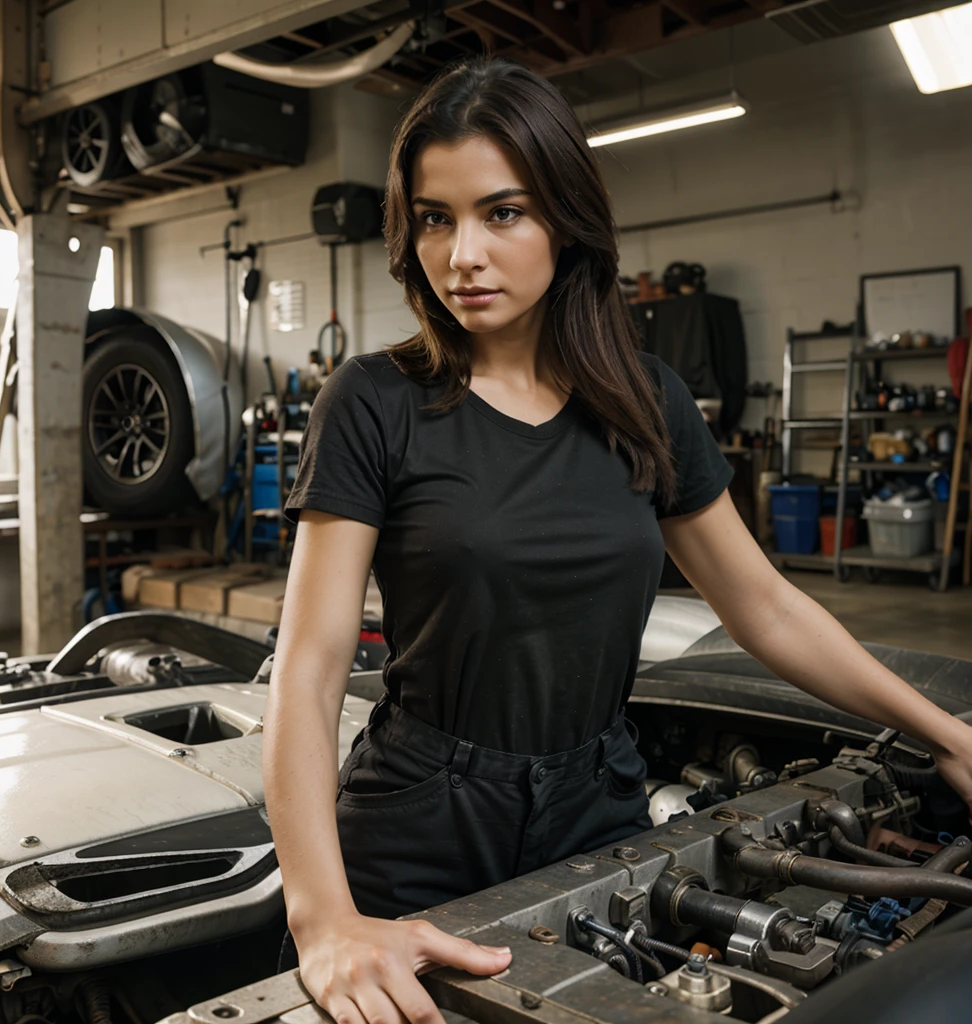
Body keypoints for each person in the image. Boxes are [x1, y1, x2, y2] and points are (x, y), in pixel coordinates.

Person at [263, 55, 972, 1024]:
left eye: (501, 212)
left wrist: (948, 733)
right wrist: (323, 919)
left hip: (597, 804)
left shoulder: (647, 404)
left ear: (565, 218)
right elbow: (308, 663)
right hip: (420, 818)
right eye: (436, 216)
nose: (462, 252)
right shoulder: (375, 401)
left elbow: (762, 605)